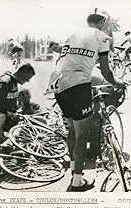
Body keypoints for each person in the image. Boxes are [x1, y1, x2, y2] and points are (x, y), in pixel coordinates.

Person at [47, 8, 124, 192]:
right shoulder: (103, 37)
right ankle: (77, 182)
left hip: (58, 85)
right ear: (103, 23)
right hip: (78, 85)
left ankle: (74, 170)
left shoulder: (73, 34)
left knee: (72, 131)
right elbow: (106, 71)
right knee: (82, 136)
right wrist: (118, 82)